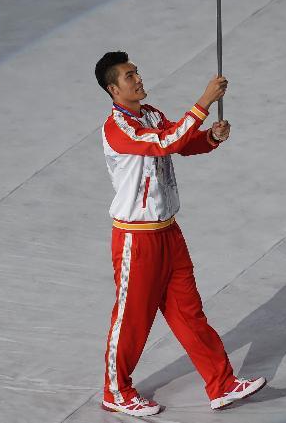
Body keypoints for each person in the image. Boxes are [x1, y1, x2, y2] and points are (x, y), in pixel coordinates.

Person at [94, 51, 266, 416]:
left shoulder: (151, 114)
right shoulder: (117, 127)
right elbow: (163, 143)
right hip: (135, 239)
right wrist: (204, 101)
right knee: (133, 318)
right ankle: (115, 391)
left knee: (190, 312)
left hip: (169, 233)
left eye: (137, 71)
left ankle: (221, 384)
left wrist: (211, 138)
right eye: (129, 76)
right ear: (113, 89)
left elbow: (182, 142)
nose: (138, 78)